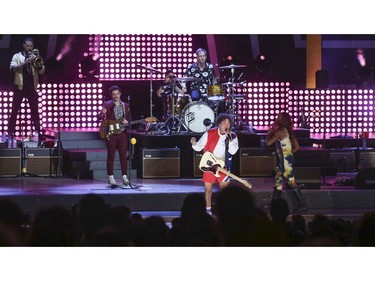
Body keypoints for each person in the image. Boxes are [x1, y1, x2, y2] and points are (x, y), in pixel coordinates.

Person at [190, 113, 239, 215]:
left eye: (228, 123)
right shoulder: (210, 133)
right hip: (210, 166)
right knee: (208, 190)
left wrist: (229, 139)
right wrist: (194, 143)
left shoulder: (233, 136)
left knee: (224, 192)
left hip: (223, 166)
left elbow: (233, 151)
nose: (226, 125)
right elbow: (199, 146)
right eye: (224, 122)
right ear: (219, 124)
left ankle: (224, 211)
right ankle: (208, 211)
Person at [266, 112, 308, 213]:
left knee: (291, 182)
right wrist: (288, 154)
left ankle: (303, 205)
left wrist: (270, 131)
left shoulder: (279, 132)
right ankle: (275, 205)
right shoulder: (289, 132)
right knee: (279, 182)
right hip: (287, 160)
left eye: (279, 117)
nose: (277, 118)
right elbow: (297, 147)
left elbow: (268, 143)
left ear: (282, 120)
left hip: (284, 162)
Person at [8, 37, 45, 140]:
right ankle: (10, 133)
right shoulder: (17, 56)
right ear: (24, 45)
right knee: (14, 110)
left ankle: (39, 132)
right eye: (28, 46)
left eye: (31, 46)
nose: (29, 48)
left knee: (35, 111)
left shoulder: (35, 57)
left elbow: (42, 72)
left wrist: (36, 62)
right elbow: (13, 68)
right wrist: (25, 62)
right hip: (19, 87)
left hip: (31, 87)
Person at [98, 85, 132, 186]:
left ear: (120, 94)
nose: (116, 96)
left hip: (122, 133)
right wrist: (101, 113)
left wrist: (127, 122)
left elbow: (130, 119)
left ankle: (124, 176)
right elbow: (99, 118)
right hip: (111, 133)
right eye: (113, 94)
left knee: (123, 155)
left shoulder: (125, 105)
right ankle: (111, 177)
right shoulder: (107, 104)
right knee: (111, 155)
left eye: (117, 94)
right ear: (111, 95)